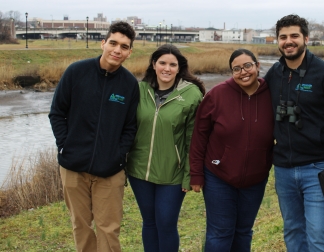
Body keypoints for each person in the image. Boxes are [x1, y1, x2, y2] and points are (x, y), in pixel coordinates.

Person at [49, 21, 139, 252]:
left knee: (108, 229)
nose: (117, 50)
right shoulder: (76, 72)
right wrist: (65, 146)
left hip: (110, 171)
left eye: (124, 46)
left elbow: (130, 127)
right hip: (73, 167)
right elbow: (57, 112)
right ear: (103, 43)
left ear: (130, 52)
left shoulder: (129, 84)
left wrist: (117, 155)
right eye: (113, 43)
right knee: (81, 225)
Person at [264, 14, 324, 251]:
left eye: (294, 36)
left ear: (306, 38)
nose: (288, 41)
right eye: (283, 37)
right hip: (283, 169)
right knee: (292, 231)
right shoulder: (274, 74)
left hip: (319, 168)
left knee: (318, 234)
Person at [189, 49, 274, 252]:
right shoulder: (217, 95)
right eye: (236, 69)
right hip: (219, 176)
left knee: (243, 232)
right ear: (231, 72)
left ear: (257, 65)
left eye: (247, 66)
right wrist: (196, 174)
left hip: (255, 178)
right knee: (220, 232)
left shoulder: (271, 94)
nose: (243, 72)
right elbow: (199, 136)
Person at [127, 44, 205, 252]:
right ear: (154, 64)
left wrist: (190, 174)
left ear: (179, 68)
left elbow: (193, 139)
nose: (167, 69)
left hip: (172, 173)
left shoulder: (191, 94)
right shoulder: (140, 90)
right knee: (149, 222)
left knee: (166, 223)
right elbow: (127, 127)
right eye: (162, 63)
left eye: (172, 64)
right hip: (139, 171)